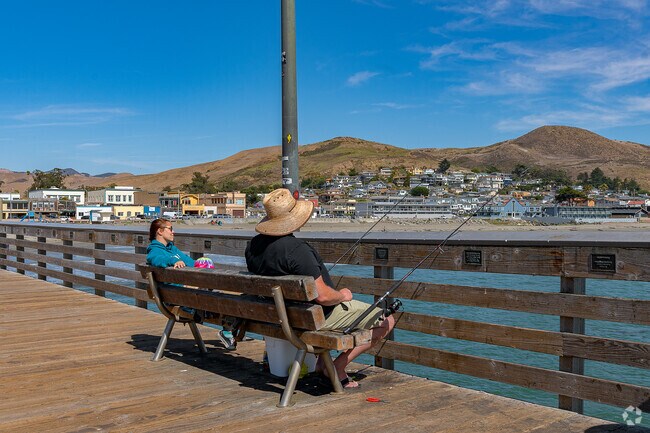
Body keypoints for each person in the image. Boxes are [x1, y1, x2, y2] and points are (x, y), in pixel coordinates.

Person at [245, 188, 395, 388]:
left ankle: (322, 364)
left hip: (277, 316)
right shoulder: (298, 251)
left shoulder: (253, 247)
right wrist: (342, 295)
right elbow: (323, 297)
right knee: (387, 320)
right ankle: (335, 367)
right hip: (310, 318)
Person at [146, 218, 236, 350]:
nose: (173, 232)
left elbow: (191, 263)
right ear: (159, 231)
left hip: (185, 295)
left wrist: (203, 264)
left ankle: (229, 330)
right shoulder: (155, 250)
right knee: (225, 299)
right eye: (170, 229)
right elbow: (154, 258)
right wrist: (171, 261)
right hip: (179, 300)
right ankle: (229, 330)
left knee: (226, 295)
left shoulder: (173, 249)